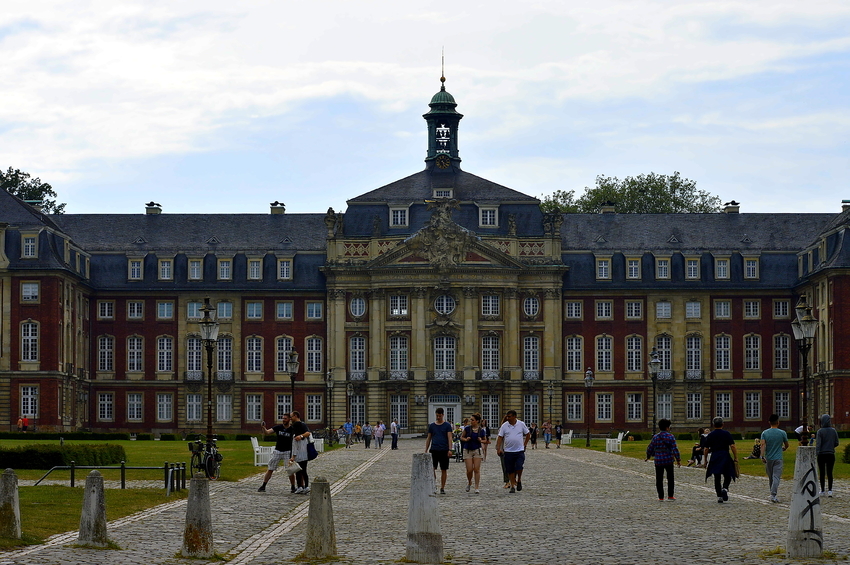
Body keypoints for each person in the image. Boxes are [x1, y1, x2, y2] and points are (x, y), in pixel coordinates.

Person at [257, 414, 296, 493]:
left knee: (290, 470)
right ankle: (263, 485)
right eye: (283, 418)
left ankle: (293, 486)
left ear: (289, 419)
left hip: (288, 451)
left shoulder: (292, 429)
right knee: (271, 468)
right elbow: (267, 432)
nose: (283, 420)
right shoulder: (278, 427)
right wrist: (264, 428)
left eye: (285, 418)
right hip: (278, 450)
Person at [703, 417, 738, 503]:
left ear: (713, 425)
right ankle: (725, 488)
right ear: (723, 424)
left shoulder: (710, 435)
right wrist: (735, 457)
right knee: (728, 474)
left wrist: (705, 460)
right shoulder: (726, 433)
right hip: (725, 455)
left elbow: (706, 449)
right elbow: (732, 446)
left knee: (717, 477)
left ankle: (719, 496)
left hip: (715, 456)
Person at [645, 419, 681, 501]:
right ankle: (670, 496)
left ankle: (660, 497)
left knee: (659, 478)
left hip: (658, 460)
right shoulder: (670, 437)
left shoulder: (655, 437)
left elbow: (650, 448)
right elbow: (675, 449)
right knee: (670, 478)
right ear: (667, 428)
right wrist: (678, 459)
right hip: (668, 459)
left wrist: (648, 456)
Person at [496, 410, 530, 493]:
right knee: (510, 469)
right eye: (507, 416)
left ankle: (519, 480)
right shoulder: (504, 426)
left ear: (515, 416)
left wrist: (525, 444)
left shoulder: (521, 424)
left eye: (509, 416)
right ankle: (512, 485)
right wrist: (498, 448)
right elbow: (500, 437)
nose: (508, 418)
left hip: (519, 450)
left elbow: (528, 434)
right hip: (508, 451)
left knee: (519, 467)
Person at [760, 413, 789, 503]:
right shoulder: (782, 433)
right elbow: (786, 444)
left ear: (769, 422)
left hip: (769, 458)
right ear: (778, 422)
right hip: (778, 458)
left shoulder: (765, 433)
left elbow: (763, 445)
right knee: (776, 477)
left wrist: (762, 456)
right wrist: (784, 448)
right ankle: (773, 494)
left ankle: (772, 493)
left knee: (771, 477)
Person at [424, 407, 454, 494]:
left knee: (444, 469)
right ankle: (433, 485)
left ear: (443, 415)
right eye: (437, 416)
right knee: (432, 468)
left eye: (440, 416)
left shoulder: (447, 425)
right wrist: (426, 449)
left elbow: (449, 437)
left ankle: (442, 487)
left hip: (444, 449)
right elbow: (429, 438)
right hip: (434, 449)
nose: (438, 417)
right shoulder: (432, 426)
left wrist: (450, 449)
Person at [461, 413, 486, 494]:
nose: (470, 421)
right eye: (470, 420)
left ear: (477, 421)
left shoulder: (481, 430)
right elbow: (461, 437)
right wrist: (466, 439)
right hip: (467, 450)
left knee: (476, 469)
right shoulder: (467, 429)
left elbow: (485, 440)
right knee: (469, 469)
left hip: (477, 450)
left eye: (472, 420)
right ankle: (469, 482)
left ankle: (476, 487)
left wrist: (481, 441)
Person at [816, 414, 840, 497]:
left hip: (822, 454)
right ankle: (830, 490)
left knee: (822, 472)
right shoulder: (833, 431)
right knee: (830, 472)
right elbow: (837, 442)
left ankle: (822, 490)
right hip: (830, 453)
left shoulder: (820, 431)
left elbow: (818, 444)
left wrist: (817, 452)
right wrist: (830, 446)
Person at [289, 411, 312, 494]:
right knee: (303, 470)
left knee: (299, 470)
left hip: (300, 453)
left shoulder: (298, 426)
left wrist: (293, 457)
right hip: (304, 452)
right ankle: (304, 486)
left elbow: (308, 433)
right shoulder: (301, 425)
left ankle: (301, 486)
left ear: (295, 416)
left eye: (291, 416)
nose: (290, 418)